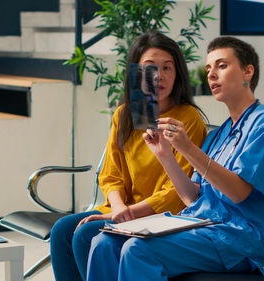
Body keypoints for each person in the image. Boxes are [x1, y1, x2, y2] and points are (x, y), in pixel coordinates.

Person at [86, 36, 264, 281]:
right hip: (200, 225)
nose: (212, 74)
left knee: (138, 250)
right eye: (208, 69)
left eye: (222, 66)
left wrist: (188, 149)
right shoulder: (220, 134)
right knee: (104, 242)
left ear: (248, 72)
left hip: (238, 237)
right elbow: (191, 196)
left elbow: (239, 193)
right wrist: (165, 155)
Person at [50, 31, 208, 281]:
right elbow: (110, 175)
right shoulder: (125, 114)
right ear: (135, 73)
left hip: (164, 215)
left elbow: (176, 193)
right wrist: (118, 208)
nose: (159, 76)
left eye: (167, 67)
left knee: (85, 234)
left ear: (177, 73)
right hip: (124, 209)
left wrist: (126, 213)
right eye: (150, 68)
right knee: (61, 230)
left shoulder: (187, 118)